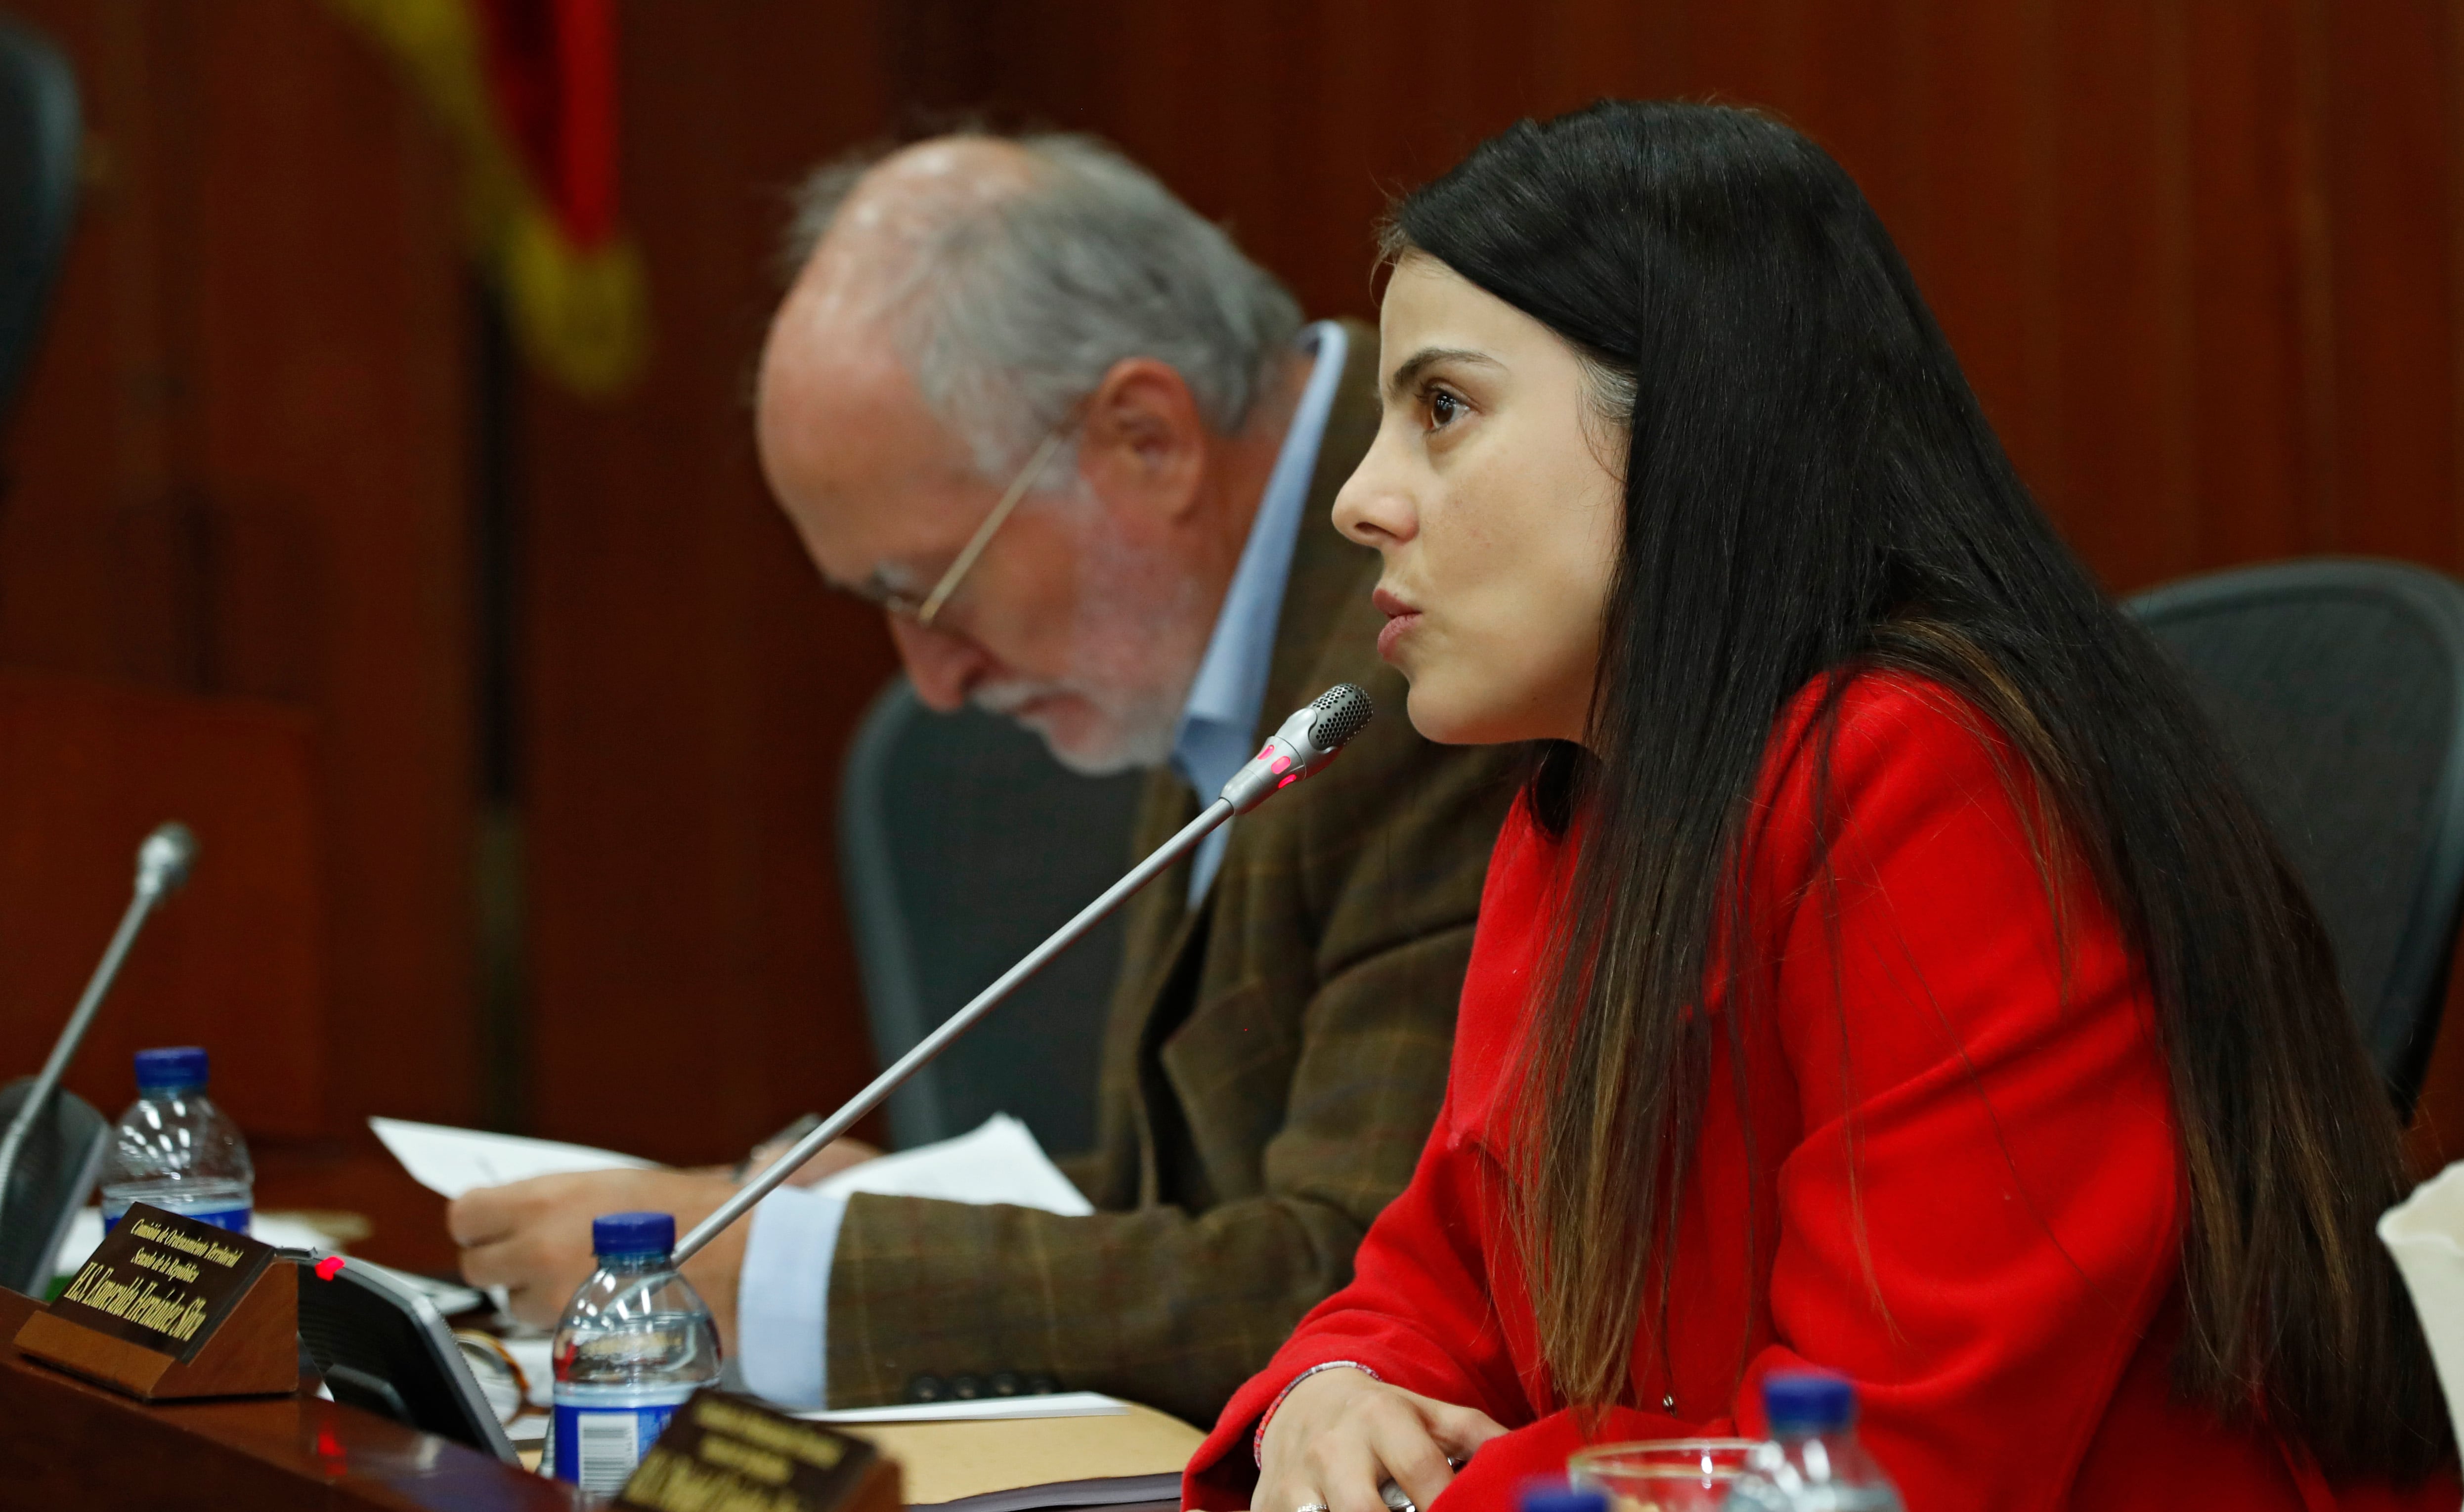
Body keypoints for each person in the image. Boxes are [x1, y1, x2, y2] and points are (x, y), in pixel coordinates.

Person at [1185, 101, 2458, 1512]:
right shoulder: (1584, 804)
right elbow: (1438, 1283)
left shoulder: (1932, 775)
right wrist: (1332, 1392)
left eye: (1442, 408)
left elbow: (1885, 1461)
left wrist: (1434, 1493)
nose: (1362, 499)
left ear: (1695, 421)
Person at [445, 133, 1520, 1426]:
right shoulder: (1201, 599)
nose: (934, 681)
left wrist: (788, 1275)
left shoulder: (1425, 649)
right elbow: (1213, 1186)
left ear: (1146, 440)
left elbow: (1367, 1284)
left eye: (928, 589)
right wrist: (871, 1215)